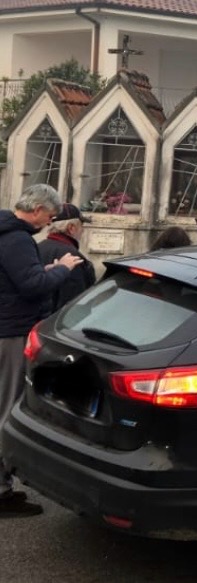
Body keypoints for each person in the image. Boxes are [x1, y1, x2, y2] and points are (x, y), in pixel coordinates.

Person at [0, 184, 84, 518]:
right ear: (35, 209)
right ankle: (2, 491)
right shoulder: (18, 239)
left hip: (4, 326)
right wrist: (63, 268)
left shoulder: (7, 232)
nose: (50, 222)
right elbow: (32, 286)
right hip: (12, 332)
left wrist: (45, 270)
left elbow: (19, 279)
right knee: (8, 409)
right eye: (48, 216)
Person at [37, 203, 96, 317]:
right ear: (71, 228)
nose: (83, 230)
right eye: (82, 225)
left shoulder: (37, 247)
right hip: (56, 326)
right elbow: (74, 302)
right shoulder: (72, 257)